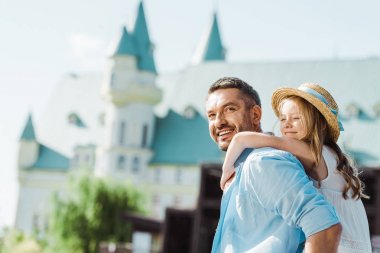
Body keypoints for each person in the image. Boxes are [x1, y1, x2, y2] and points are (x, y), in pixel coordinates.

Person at [220, 82, 372, 253]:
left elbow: (241, 139)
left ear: (320, 124)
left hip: (336, 246)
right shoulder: (334, 157)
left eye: (296, 118)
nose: (287, 124)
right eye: (283, 119)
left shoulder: (311, 152)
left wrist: (226, 170)